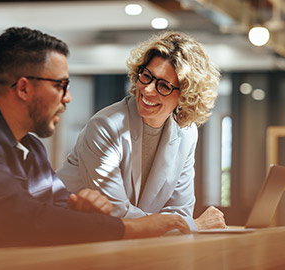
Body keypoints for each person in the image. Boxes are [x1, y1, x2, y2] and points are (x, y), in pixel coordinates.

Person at [0, 27, 189, 252]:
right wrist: (134, 227)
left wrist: (83, 212)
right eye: (60, 85)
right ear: (24, 87)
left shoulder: (31, 148)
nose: (67, 98)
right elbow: (25, 222)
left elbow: (56, 211)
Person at [57, 31, 226, 231]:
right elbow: (116, 213)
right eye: (146, 76)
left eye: (163, 85)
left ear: (186, 96)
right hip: (67, 235)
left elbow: (180, 210)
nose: (147, 89)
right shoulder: (105, 126)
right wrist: (193, 225)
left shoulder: (186, 133)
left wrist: (181, 223)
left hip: (129, 242)